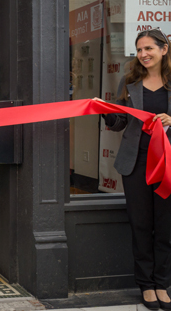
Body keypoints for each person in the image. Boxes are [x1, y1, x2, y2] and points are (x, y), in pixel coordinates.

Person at [99, 28, 171, 310]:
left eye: (148, 49)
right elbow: (119, 122)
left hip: (167, 165)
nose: (143, 55)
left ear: (164, 49)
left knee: (165, 227)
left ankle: (163, 283)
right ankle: (146, 285)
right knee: (141, 226)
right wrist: (107, 113)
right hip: (136, 164)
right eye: (139, 50)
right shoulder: (129, 81)